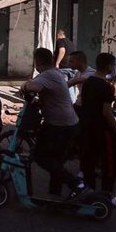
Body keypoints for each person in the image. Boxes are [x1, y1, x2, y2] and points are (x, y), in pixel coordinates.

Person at [21, 48, 87, 199]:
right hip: (65, 122)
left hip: (60, 125)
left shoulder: (48, 75)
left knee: (41, 157)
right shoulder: (54, 73)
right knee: (56, 159)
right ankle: (55, 192)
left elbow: (32, 87)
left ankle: (76, 183)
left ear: (37, 62)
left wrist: (24, 86)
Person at [80, 53, 116, 209]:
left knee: (88, 160)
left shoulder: (88, 82)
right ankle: (106, 194)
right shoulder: (107, 86)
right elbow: (106, 112)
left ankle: (89, 191)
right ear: (108, 66)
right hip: (102, 129)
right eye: (113, 65)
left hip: (87, 127)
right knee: (110, 162)